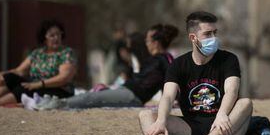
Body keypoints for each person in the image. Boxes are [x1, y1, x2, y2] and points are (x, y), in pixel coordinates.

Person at [139, 11, 253, 135]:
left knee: (245, 103)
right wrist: (161, 121)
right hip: (190, 127)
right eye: (207, 34)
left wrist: (222, 114)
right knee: (145, 115)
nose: (213, 38)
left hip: (224, 126)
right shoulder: (178, 64)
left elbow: (232, 90)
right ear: (193, 38)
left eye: (214, 33)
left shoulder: (229, 59)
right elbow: (168, 96)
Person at [40, 24, 178, 109]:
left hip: (133, 96)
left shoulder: (165, 59)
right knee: (96, 94)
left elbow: (172, 82)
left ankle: (60, 104)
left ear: (156, 43)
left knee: (92, 98)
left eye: (147, 40)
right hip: (127, 91)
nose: (146, 43)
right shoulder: (154, 59)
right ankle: (60, 101)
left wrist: (174, 101)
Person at [0, 20, 77, 107]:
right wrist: (3, 74)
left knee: (24, 89)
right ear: (44, 38)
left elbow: (64, 78)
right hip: (36, 85)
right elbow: (19, 71)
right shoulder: (37, 53)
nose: (56, 38)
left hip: (58, 90)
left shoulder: (66, 53)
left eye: (58, 34)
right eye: (52, 35)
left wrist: (39, 84)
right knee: (7, 78)